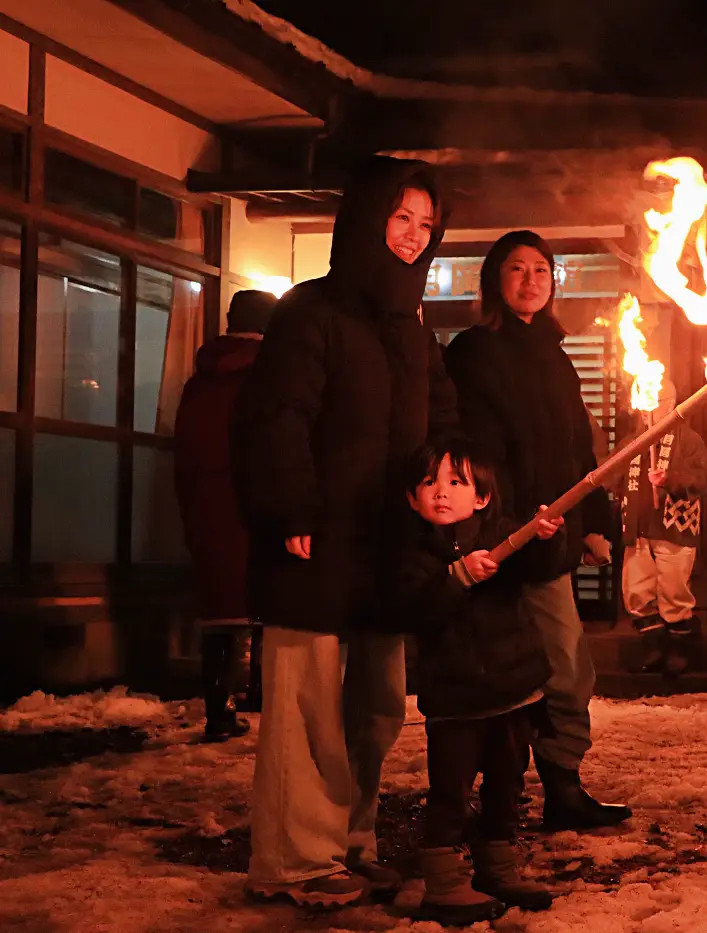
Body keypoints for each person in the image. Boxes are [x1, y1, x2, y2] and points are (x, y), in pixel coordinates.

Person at [233, 156, 456, 908]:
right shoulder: (311, 310)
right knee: (308, 712)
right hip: (316, 542)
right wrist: (290, 510)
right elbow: (277, 417)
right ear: (367, 219)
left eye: (426, 224)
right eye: (401, 217)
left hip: (385, 545)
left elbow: (441, 422)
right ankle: (297, 858)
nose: (413, 235)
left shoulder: (412, 329)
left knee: (376, 708)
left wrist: (449, 492)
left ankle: (350, 842)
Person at [443, 230, 631, 831]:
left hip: (551, 542)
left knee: (568, 670)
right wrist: (508, 523)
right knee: (515, 676)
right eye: (517, 269)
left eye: (541, 270)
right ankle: (491, 797)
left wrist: (593, 522)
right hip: (500, 544)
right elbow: (474, 450)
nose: (530, 280)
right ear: (494, 280)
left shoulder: (556, 356)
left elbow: (580, 451)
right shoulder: (473, 352)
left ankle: (561, 785)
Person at [387, 435, 563, 923]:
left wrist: (547, 536)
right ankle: (444, 882)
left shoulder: (505, 534)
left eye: (456, 481)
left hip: (514, 692)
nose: (441, 491)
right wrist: (456, 578)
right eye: (429, 483)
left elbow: (540, 568)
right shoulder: (413, 554)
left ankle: (498, 869)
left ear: (482, 496)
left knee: (506, 786)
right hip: (456, 701)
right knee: (451, 792)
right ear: (412, 498)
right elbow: (415, 610)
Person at [174, 289, 277, 742]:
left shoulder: (198, 382)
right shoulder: (269, 376)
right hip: (255, 499)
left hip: (205, 503)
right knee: (268, 603)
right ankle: (262, 695)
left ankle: (218, 711)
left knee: (219, 612)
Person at [616, 378, 707, 675]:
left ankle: (680, 650)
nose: (646, 410)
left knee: (673, 591)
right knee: (637, 591)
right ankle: (654, 647)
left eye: (654, 402)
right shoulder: (632, 440)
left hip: (673, 528)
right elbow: (612, 477)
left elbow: (700, 480)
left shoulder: (688, 439)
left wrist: (670, 480)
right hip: (638, 529)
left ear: (670, 404)